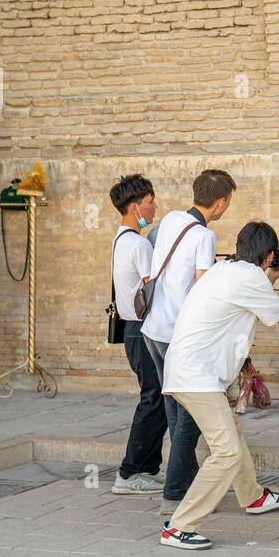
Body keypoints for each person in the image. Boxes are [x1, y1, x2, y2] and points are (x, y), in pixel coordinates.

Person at [159, 221, 279, 550]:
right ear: (268, 256)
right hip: (198, 377)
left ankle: (253, 497)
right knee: (227, 452)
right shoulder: (249, 278)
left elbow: (253, 295)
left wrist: (273, 277)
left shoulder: (228, 270)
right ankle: (179, 526)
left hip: (192, 371)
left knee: (232, 432)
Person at [140, 169, 236, 513]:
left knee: (175, 408)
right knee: (191, 416)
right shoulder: (204, 237)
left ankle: (188, 481)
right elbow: (201, 289)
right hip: (178, 334)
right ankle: (175, 492)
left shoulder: (170, 220)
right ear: (221, 202)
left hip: (152, 328)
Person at [108, 174, 166, 494]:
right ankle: (129, 474)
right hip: (144, 330)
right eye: (149, 201)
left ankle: (148, 467)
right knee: (153, 398)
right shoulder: (140, 243)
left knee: (156, 397)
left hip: (133, 331)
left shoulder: (121, 240)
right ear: (135, 206)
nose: (154, 206)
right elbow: (153, 288)